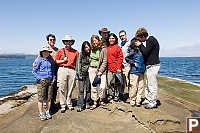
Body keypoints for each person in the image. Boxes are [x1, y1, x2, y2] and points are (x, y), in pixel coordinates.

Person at [135, 28, 160, 109]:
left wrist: (140, 45)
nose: (139, 40)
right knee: (148, 83)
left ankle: (153, 102)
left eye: (139, 38)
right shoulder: (151, 40)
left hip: (153, 65)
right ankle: (148, 99)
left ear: (143, 36)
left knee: (152, 85)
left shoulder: (150, 40)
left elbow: (145, 52)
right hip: (150, 66)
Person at [33, 34, 58, 110]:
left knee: (54, 89)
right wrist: (34, 64)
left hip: (54, 70)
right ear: (48, 41)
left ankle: (52, 104)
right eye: (50, 39)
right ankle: (46, 105)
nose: (52, 41)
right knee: (45, 91)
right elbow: (38, 59)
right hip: (46, 72)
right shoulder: (44, 49)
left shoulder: (57, 50)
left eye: (53, 39)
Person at [54, 35, 79, 113]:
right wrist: (63, 61)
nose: (68, 43)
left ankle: (69, 103)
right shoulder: (60, 51)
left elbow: (77, 63)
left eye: (69, 41)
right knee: (62, 87)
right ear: (64, 42)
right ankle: (63, 105)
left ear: (72, 42)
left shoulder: (76, 52)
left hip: (72, 70)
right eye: (66, 41)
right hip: (62, 69)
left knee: (70, 88)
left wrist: (77, 72)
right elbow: (56, 61)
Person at [32, 46, 56, 120]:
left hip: (50, 80)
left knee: (49, 98)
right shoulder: (39, 60)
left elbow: (52, 70)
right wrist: (39, 79)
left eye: (47, 51)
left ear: (49, 53)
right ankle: (41, 113)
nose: (46, 53)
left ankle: (47, 112)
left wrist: (54, 78)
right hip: (42, 81)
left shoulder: (50, 61)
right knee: (41, 98)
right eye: (44, 51)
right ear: (42, 52)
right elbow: (34, 71)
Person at [125, 37, 146, 107]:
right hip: (134, 71)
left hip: (142, 71)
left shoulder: (142, 49)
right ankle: (132, 100)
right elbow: (127, 58)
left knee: (140, 87)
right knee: (134, 87)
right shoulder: (133, 50)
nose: (138, 42)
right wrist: (133, 63)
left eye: (139, 41)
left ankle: (138, 100)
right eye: (136, 41)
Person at [89, 35, 107, 110]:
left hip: (101, 70)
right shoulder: (91, 49)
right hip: (92, 69)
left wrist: (100, 71)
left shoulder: (103, 49)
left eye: (96, 40)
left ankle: (101, 99)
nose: (94, 42)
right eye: (93, 40)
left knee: (102, 86)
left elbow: (105, 61)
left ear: (98, 40)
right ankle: (95, 101)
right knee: (94, 86)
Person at [106, 33, 124, 102]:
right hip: (109, 68)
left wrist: (119, 67)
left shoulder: (117, 47)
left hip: (116, 68)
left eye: (113, 38)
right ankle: (111, 94)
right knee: (109, 82)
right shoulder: (106, 48)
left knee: (117, 82)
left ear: (115, 39)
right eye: (110, 38)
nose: (111, 39)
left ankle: (116, 95)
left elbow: (120, 57)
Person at [77, 41, 91, 112]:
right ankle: (80, 105)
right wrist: (79, 74)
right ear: (83, 48)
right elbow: (78, 64)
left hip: (89, 74)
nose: (87, 48)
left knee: (88, 89)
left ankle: (87, 103)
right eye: (85, 47)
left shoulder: (91, 54)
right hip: (82, 74)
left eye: (88, 46)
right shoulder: (81, 54)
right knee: (81, 90)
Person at [119, 30, 130, 100]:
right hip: (121, 66)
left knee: (129, 82)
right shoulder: (120, 44)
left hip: (128, 65)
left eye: (123, 35)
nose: (122, 37)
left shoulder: (129, 44)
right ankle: (122, 94)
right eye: (120, 36)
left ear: (126, 35)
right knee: (121, 82)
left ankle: (130, 96)